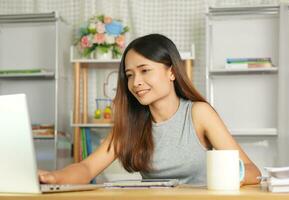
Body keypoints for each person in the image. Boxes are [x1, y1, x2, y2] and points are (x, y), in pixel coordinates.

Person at [39, 34, 261, 185]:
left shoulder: (198, 113)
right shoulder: (131, 123)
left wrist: (227, 177)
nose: (136, 82)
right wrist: (53, 177)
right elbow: (87, 168)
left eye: (145, 70)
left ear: (171, 72)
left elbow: (252, 170)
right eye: (130, 75)